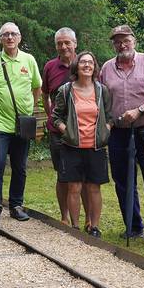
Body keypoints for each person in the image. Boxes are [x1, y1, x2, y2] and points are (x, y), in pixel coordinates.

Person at [99, 25, 144, 249]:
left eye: (125, 40)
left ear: (134, 40)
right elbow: (103, 100)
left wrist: (141, 110)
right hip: (119, 131)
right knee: (123, 181)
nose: (122, 44)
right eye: (117, 41)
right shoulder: (107, 68)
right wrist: (107, 122)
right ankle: (133, 226)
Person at [0, 22, 42, 224]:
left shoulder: (29, 60)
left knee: (20, 167)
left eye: (13, 34)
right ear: (0, 39)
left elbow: (37, 87)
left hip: (22, 125)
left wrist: (29, 109)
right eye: (6, 34)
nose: (10, 37)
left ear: (19, 37)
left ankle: (16, 205)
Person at [52, 51, 113, 237]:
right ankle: (75, 227)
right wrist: (67, 131)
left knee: (94, 187)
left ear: (95, 67)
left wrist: (106, 129)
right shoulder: (66, 90)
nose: (87, 65)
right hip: (72, 147)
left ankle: (94, 226)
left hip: (95, 147)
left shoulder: (102, 90)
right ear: (76, 66)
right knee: (74, 187)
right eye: (83, 62)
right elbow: (55, 117)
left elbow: (109, 116)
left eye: (90, 62)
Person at [42, 27, 90, 228]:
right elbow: (44, 94)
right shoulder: (50, 67)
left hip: (85, 132)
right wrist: (51, 117)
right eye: (60, 43)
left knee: (85, 177)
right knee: (63, 176)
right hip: (58, 134)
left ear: (75, 43)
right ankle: (64, 217)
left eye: (67, 42)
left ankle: (89, 219)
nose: (64, 47)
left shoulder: (86, 65)